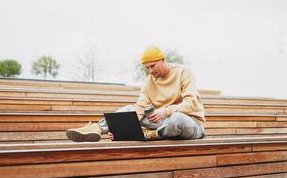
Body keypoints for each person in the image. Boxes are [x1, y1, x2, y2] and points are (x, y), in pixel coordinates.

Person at [66, 46, 205, 142]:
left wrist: (166, 111)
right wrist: (120, 128)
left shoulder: (183, 72)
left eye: (153, 66)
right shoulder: (148, 82)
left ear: (163, 60)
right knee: (129, 109)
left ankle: (150, 135)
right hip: (163, 125)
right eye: (147, 68)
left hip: (190, 124)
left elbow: (191, 103)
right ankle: (96, 128)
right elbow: (139, 108)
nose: (150, 71)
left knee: (177, 118)